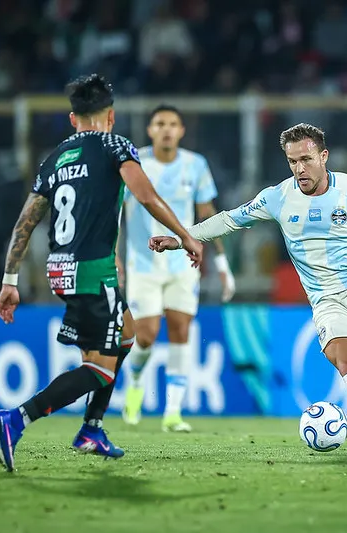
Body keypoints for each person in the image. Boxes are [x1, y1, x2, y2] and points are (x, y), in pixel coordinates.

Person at [150, 123, 347, 455]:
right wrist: (180, 238)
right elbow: (229, 219)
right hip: (325, 298)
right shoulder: (277, 198)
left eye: (305, 159)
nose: (299, 169)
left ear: (323, 156)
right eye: (292, 162)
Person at [0, 74, 203, 471]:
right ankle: (17, 419)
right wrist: (185, 236)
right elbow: (146, 195)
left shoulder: (54, 158)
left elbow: (25, 223)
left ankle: (92, 428)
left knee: (127, 336)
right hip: (92, 271)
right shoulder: (115, 145)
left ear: (73, 119)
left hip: (62, 267)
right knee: (99, 367)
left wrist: (10, 281)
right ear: (112, 115)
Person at [120, 104, 235, 432]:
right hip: (142, 264)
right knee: (146, 335)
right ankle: (137, 381)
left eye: (173, 123)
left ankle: (172, 413)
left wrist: (222, 262)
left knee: (181, 331)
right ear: (150, 129)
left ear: (182, 130)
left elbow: (207, 214)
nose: (167, 129)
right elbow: (116, 214)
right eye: (160, 123)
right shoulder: (133, 163)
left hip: (183, 264)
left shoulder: (195, 164)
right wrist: (115, 257)